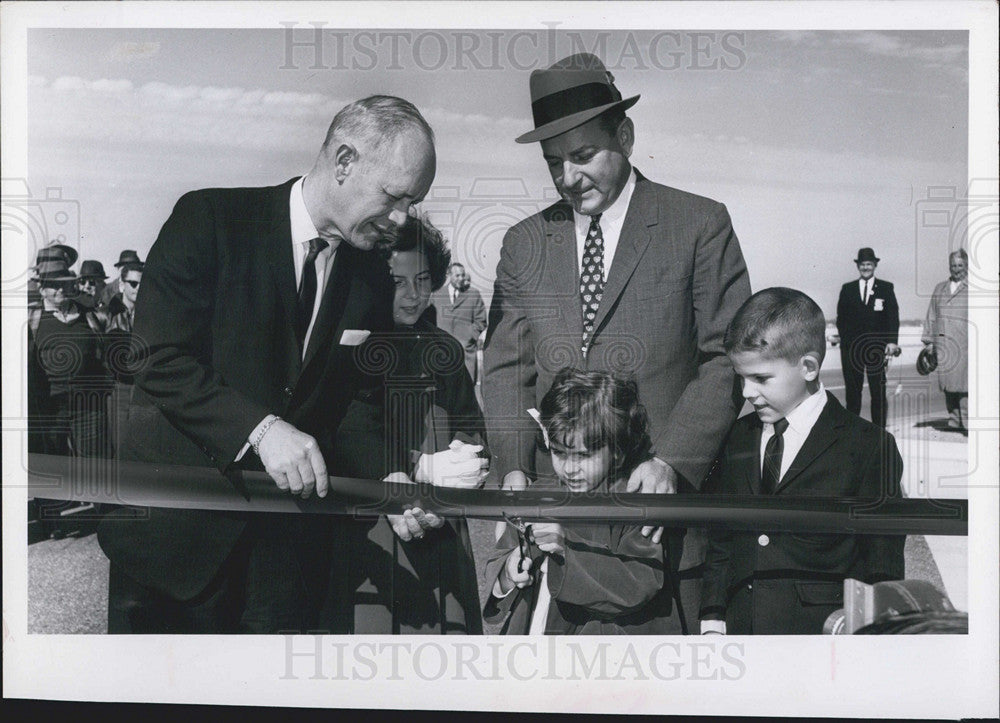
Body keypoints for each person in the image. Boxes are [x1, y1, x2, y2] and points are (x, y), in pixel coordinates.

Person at [96, 95, 437, 634]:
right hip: (176, 551)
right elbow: (155, 356)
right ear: (344, 161)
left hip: (285, 566)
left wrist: (388, 478)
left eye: (412, 202)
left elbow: (358, 405)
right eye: (394, 197)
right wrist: (260, 429)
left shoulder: (371, 277)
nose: (401, 220)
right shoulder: (210, 219)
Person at [482, 52, 751, 631]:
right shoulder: (523, 242)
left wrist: (672, 461)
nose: (567, 178)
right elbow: (507, 369)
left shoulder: (700, 223)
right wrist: (512, 470)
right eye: (554, 162)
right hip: (557, 532)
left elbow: (725, 356)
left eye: (583, 156)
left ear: (625, 136)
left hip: (659, 529)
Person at [699, 288, 905, 635]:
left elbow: (881, 564)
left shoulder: (869, 447)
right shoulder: (736, 437)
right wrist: (713, 617)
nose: (747, 393)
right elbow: (722, 541)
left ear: (808, 367)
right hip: (739, 634)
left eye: (761, 379)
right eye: (741, 378)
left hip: (821, 643)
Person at [332, 214, 486, 633]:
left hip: (439, 531)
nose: (414, 296)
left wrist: (465, 464)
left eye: (422, 279)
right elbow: (340, 431)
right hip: (369, 533)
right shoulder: (349, 345)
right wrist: (418, 465)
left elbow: (471, 428)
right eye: (398, 282)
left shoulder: (447, 351)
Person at [483, 368, 670, 634]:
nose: (570, 468)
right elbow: (500, 557)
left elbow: (640, 583)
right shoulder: (537, 495)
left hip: (597, 649)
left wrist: (568, 551)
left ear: (616, 451)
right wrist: (507, 574)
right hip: (532, 632)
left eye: (583, 456)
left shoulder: (632, 502)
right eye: (559, 452)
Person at [834, 247, 900, 428]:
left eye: (869, 264)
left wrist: (892, 341)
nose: (866, 268)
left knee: (877, 392)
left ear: (875, 265)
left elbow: (892, 316)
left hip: (876, 349)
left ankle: (879, 432)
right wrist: (846, 340)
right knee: (853, 394)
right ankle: (851, 431)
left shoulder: (886, 288)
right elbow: (841, 318)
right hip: (851, 349)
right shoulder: (847, 289)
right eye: (862, 264)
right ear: (858, 266)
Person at [921, 249, 968, 432]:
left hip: (965, 344)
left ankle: (966, 419)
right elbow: (931, 315)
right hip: (943, 343)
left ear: (966, 266)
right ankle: (954, 418)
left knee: (964, 384)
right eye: (953, 265)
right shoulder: (940, 288)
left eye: (960, 265)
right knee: (948, 383)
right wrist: (929, 341)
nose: (956, 269)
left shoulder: (973, 287)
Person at [103, 262, 143, 456]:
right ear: (122, 284)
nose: (138, 288)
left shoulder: (150, 313)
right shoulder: (108, 313)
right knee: (120, 449)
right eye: (133, 283)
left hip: (144, 391)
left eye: (142, 284)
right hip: (119, 389)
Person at [430, 262, 487, 382]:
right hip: (441, 354)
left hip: (466, 355)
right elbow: (429, 320)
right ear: (449, 275)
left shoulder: (473, 294)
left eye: (462, 275)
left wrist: (469, 337)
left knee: (465, 395)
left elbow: (481, 320)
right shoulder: (437, 294)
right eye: (457, 276)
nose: (461, 279)